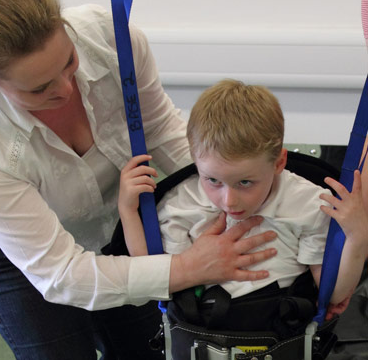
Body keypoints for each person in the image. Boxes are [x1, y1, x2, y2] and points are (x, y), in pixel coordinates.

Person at [0, 0, 280, 360]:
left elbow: (162, 130)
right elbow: (61, 275)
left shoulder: (111, 39)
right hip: (18, 257)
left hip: (114, 221)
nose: (66, 89)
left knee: (146, 350)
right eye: (39, 89)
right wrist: (187, 268)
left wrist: (231, 195)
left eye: (69, 63)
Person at [119, 79, 368, 333]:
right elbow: (153, 278)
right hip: (203, 330)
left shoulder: (307, 205)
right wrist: (128, 212)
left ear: (279, 162)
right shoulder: (183, 203)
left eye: (245, 182)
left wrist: (358, 237)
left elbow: (332, 295)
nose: (228, 201)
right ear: (195, 161)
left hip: (278, 331)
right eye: (213, 180)